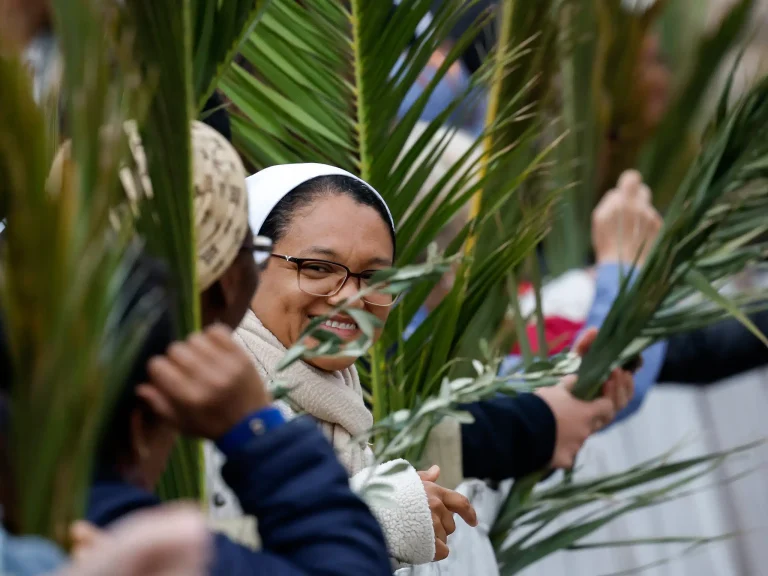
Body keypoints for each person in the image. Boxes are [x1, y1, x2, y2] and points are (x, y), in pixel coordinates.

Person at [76, 121, 392, 575]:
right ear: (238, 274)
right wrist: (384, 511)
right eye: (318, 267)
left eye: (375, 277)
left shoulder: (349, 404)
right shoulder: (194, 398)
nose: (351, 298)